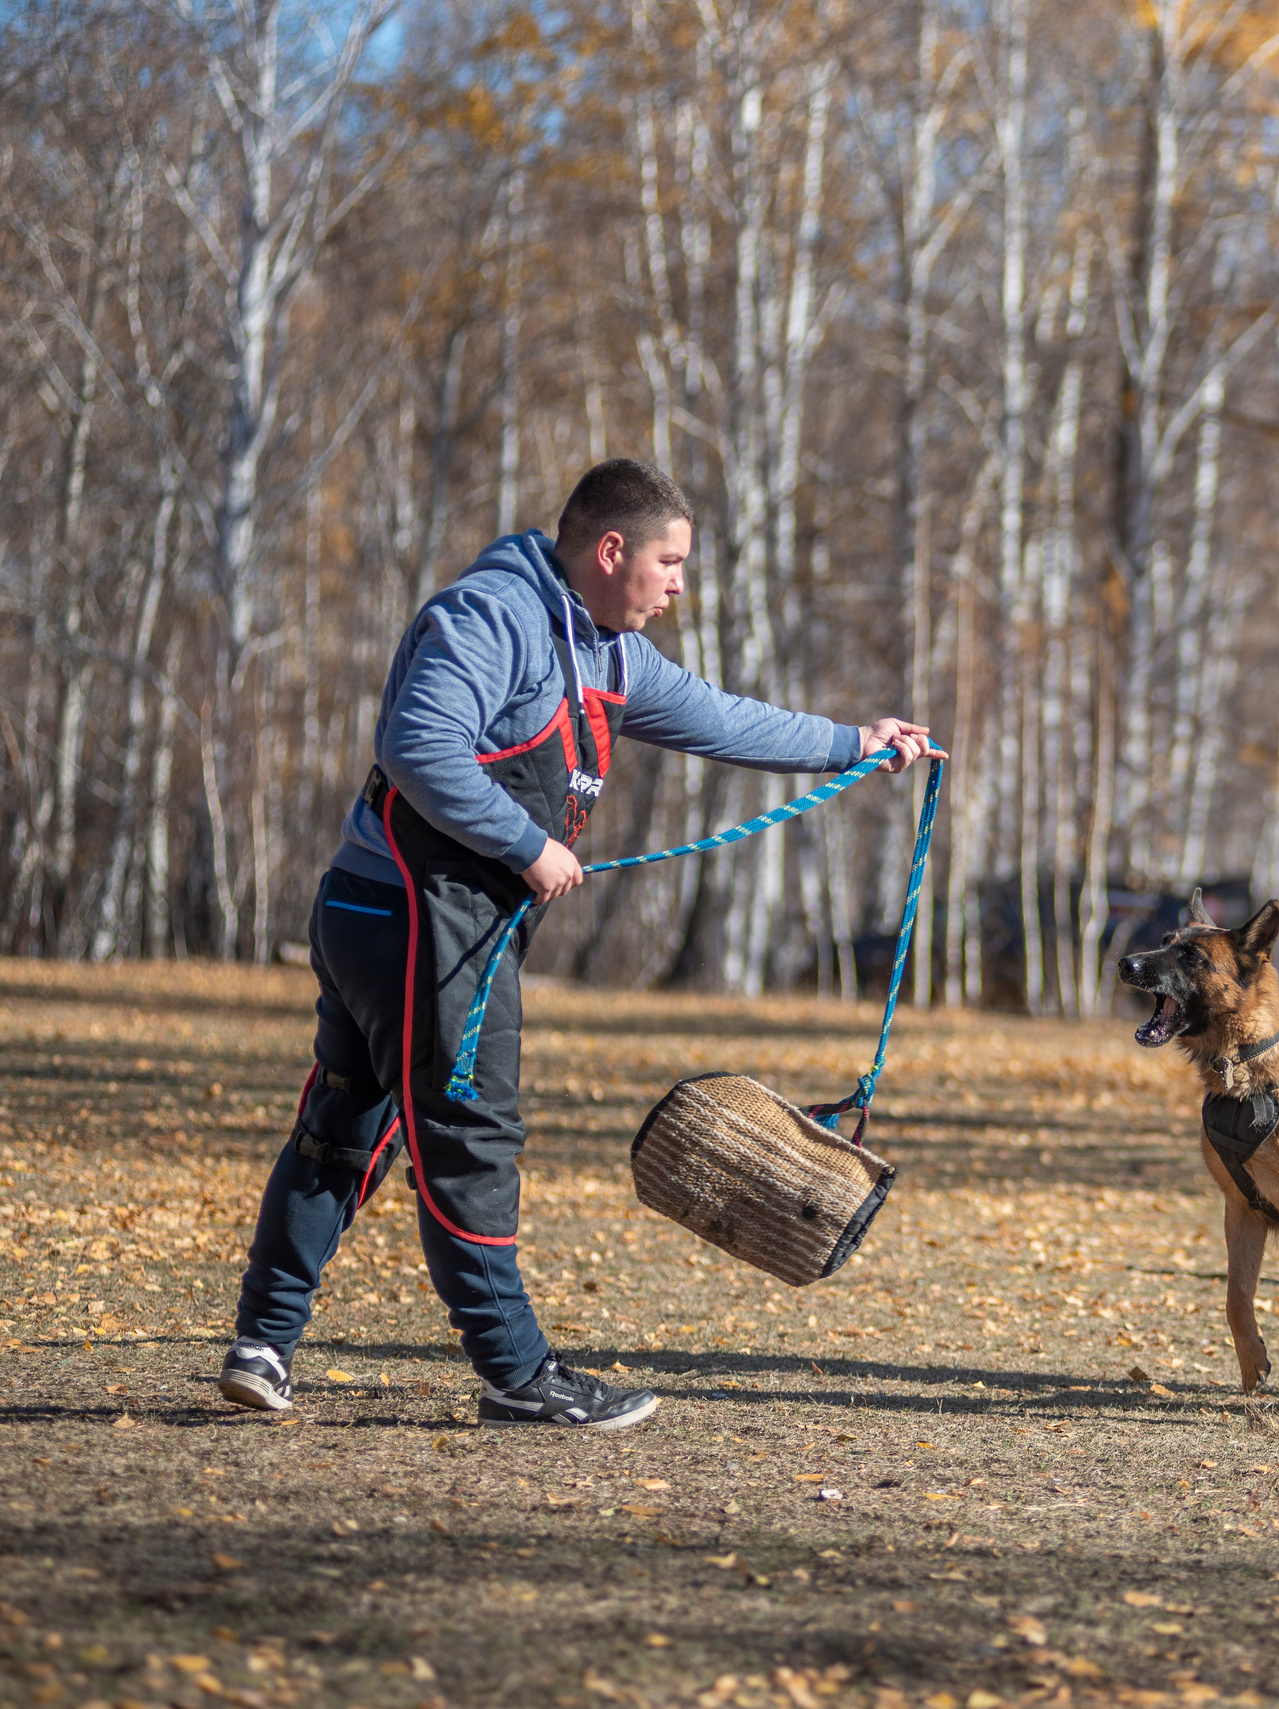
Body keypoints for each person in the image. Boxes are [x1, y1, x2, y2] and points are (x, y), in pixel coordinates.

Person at [218, 459, 939, 1430]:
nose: (680, 583)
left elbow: (725, 719)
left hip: (403, 921)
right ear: (611, 551)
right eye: (669, 561)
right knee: (469, 1137)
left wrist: (858, 739)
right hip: (414, 923)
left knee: (344, 1129)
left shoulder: (607, 650)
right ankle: (518, 1374)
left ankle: (261, 1347)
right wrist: (528, 844)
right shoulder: (492, 616)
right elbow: (416, 744)